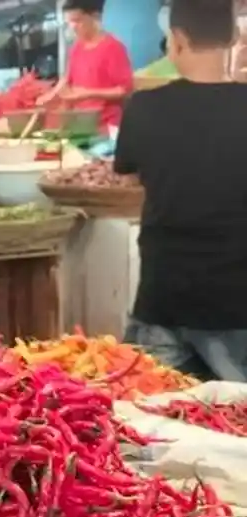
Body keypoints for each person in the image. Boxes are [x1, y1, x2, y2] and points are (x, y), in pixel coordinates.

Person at [113, 0, 247, 381]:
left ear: (176, 39)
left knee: (155, 412)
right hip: (237, 305)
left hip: (163, 298)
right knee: (236, 416)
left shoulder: (143, 107)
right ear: (234, 38)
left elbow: (129, 179)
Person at [36, 0, 134, 131]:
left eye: (78, 21)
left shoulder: (113, 47)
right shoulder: (77, 47)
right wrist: (51, 95)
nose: (73, 27)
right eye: (70, 22)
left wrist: (87, 93)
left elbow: (125, 90)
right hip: (81, 124)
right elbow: (67, 79)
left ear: (95, 17)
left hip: (106, 125)